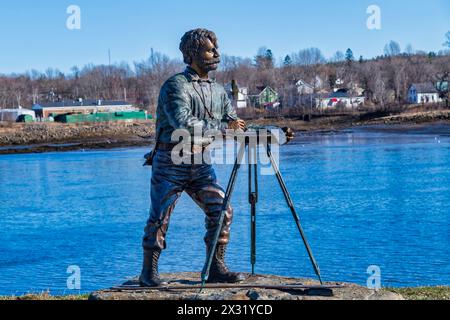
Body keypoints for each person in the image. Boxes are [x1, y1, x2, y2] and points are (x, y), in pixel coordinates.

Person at [139, 29, 247, 287]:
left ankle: (215, 268)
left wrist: (273, 134)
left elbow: (236, 124)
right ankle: (148, 273)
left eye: (216, 49)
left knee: (222, 209)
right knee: (160, 215)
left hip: (200, 162)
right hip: (170, 161)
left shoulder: (219, 91)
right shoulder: (175, 86)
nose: (217, 54)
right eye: (210, 50)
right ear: (192, 54)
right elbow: (183, 124)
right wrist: (223, 130)